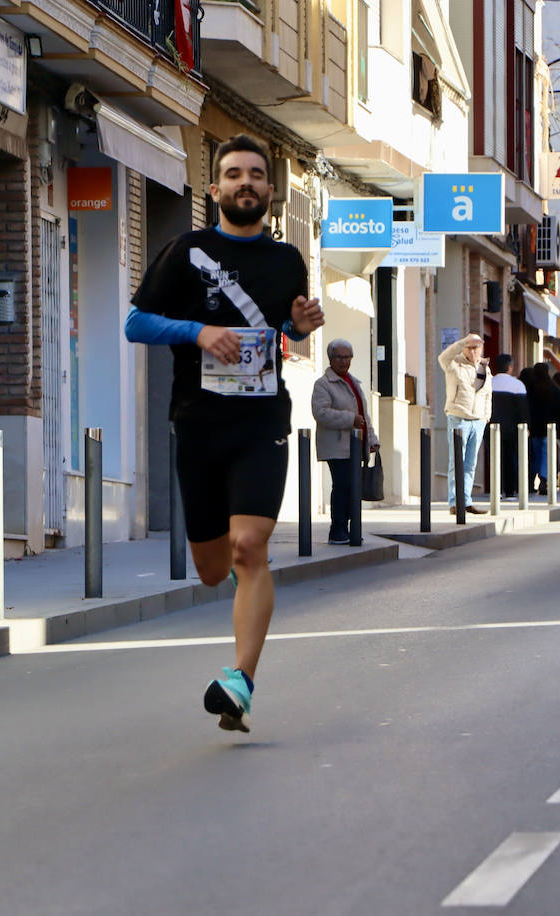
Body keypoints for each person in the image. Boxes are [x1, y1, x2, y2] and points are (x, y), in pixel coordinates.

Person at [124, 134, 325, 733]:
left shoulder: (288, 259)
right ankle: (239, 586)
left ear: (269, 191)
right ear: (214, 189)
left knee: (249, 549)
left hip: (262, 421)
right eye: (234, 174)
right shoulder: (186, 252)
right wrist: (198, 332)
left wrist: (303, 325)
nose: (246, 183)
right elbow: (136, 322)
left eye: (256, 175)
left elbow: (290, 329)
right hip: (199, 422)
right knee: (213, 567)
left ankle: (240, 681)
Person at [311, 338, 378, 546]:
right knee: (341, 486)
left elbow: (364, 415)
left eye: (347, 357)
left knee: (352, 488)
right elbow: (320, 413)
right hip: (337, 445)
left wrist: (372, 439)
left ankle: (350, 528)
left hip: (356, 444)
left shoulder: (353, 382)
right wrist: (350, 420)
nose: (344, 361)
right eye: (339, 357)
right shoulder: (323, 384)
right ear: (331, 358)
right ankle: (337, 529)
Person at [440, 333, 494, 514]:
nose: (473, 351)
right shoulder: (454, 363)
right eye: (470, 347)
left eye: (476, 347)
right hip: (458, 418)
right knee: (456, 462)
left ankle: (467, 500)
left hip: (478, 421)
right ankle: (455, 503)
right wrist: (463, 341)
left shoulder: (484, 368)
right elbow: (442, 357)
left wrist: (486, 417)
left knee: (470, 464)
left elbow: (487, 394)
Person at [489, 354, 529, 497]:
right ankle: (510, 490)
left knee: (494, 459)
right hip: (512, 429)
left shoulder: (489, 384)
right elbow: (523, 409)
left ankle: (496, 489)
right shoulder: (518, 385)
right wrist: (526, 426)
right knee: (511, 459)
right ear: (510, 367)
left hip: (492, 428)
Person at [523, 363, 560, 495]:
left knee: (534, 456)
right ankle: (544, 480)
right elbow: (558, 410)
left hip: (534, 428)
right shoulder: (553, 388)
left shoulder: (530, 389)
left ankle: (531, 480)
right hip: (549, 427)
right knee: (546, 455)